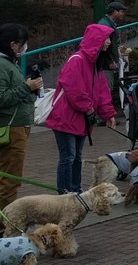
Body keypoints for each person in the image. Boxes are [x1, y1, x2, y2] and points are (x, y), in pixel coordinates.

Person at [45, 23, 116, 195]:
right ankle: (65, 194)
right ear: (96, 40)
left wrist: (108, 114)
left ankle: (75, 191)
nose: (108, 42)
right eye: (105, 38)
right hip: (66, 118)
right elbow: (73, 88)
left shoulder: (95, 65)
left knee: (76, 157)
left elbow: (102, 92)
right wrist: (88, 108)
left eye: (109, 38)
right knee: (68, 157)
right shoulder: (77, 60)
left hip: (81, 119)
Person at [0, 24, 42, 210]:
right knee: (10, 180)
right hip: (12, 128)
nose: (24, 47)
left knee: (8, 177)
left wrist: (31, 89)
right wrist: (26, 87)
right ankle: (6, 222)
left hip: (17, 127)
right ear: (13, 44)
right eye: (22, 43)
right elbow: (2, 98)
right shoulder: (3, 65)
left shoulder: (10, 63)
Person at [98, 1, 127, 111]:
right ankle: (104, 114)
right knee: (105, 89)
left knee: (106, 89)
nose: (123, 14)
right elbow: (103, 46)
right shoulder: (105, 25)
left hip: (105, 63)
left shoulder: (108, 23)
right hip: (104, 65)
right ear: (114, 11)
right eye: (121, 11)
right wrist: (110, 60)